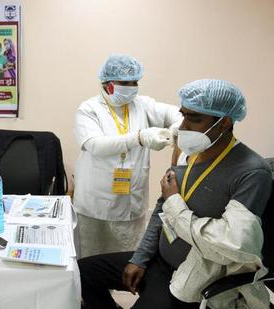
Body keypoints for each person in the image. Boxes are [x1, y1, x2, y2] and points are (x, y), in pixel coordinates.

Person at [78, 79, 272, 308]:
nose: (183, 128)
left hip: (194, 277)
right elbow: (162, 208)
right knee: (82, 273)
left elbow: (231, 243)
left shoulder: (251, 171)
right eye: (184, 116)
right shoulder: (192, 153)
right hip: (159, 261)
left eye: (194, 119)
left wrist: (174, 202)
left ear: (225, 122)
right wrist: (140, 259)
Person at [74, 54, 181, 258]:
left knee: (127, 258)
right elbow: (94, 145)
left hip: (131, 200)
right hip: (95, 201)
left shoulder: (141, 104)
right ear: (108, 84)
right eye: (125, 83)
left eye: (135, 82)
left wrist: (175, 130)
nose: (132, 87)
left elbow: (177, 114)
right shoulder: (89, 109)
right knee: (90, 260)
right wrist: (139, 138)